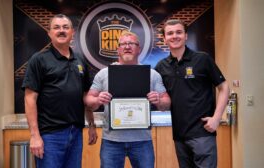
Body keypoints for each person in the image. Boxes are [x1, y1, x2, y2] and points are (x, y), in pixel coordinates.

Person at [85, 30, 171, 168]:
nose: (127, 47)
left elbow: (166, 103)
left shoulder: (152, 74)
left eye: (131, 43)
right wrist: (97, 100)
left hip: (142, 141)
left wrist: (159, 101)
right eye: (123, 44)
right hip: (111, 141)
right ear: (118, 49)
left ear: (139, 49)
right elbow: (89, 101)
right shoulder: (104, 73)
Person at [22, 14, 97, 168]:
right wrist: (35, 136)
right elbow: (30, 99)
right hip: (50, 136)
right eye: (56, 27)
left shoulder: (80, 60)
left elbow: (85, 96)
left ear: (72, 32)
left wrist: (91, 124)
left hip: (76, 133)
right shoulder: (39, 59)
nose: (61, 31)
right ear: (49, 33)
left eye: (65, 27)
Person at [155, 19, 230, 168]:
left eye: (179, 32)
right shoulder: (161, 67)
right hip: (179, 136)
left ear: (186, 35)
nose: (174, 36)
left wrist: (216, 118)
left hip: (203, 133)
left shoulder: (202, 59)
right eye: (170, 33)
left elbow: (224, 87)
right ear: (164, 38)